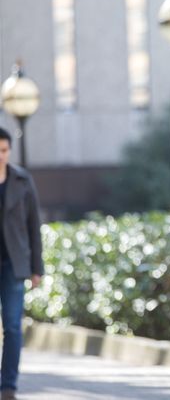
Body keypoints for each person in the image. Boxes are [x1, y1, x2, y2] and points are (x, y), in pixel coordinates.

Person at [0, 127, 43, 400]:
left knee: (13, 327)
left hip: (14, 265)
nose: (0, 156)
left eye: (4, 150)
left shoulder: (22, 180)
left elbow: (33, 225)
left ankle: (8, 386)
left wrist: (37, 267)